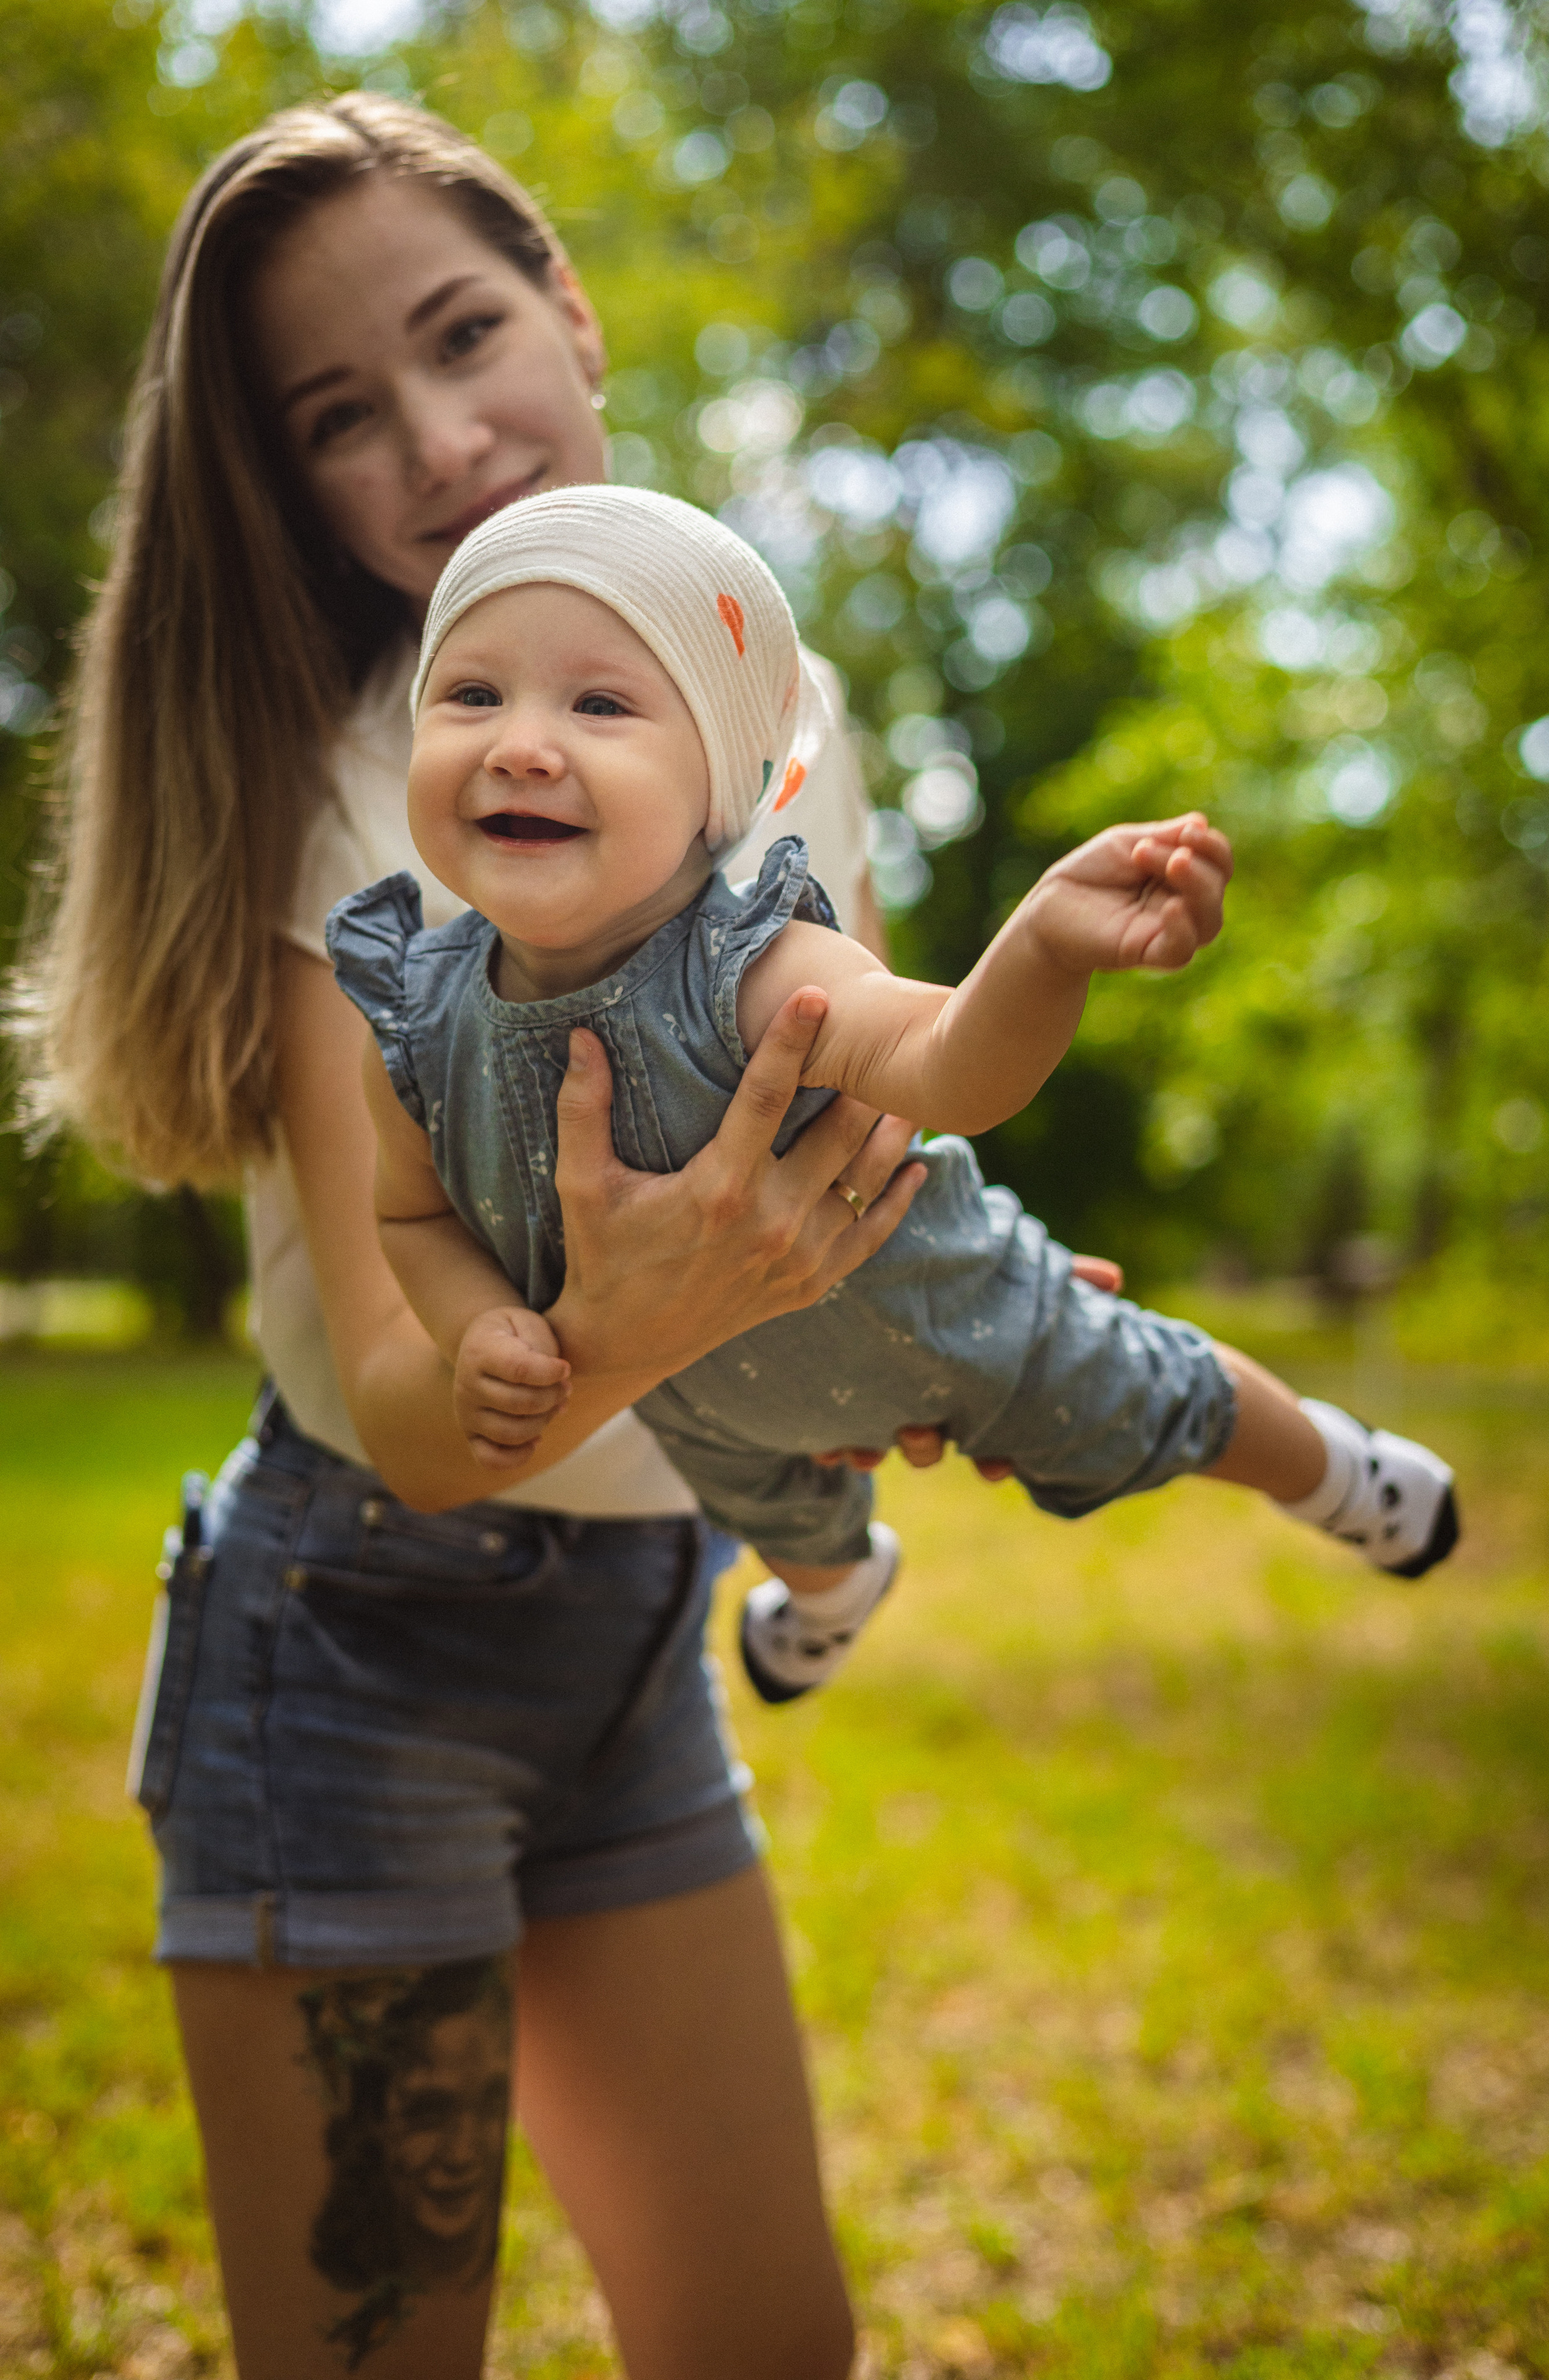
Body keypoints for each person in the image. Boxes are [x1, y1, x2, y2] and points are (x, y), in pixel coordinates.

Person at [6, 89, 1038, 2380]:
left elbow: (851, 1149)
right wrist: (651, 1313)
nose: (445, 436)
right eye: (341, 420)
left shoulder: (792, 714)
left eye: (470, 333)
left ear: (570, 305)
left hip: (636, 1634)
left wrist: (969, 1329)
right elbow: (411, 1396)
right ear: (288, 492)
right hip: (363, 1644)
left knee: (767, 2341)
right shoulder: (367, 788)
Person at [329, 482, 1462, 1712]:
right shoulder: (412, 1020)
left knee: (1152, 1393)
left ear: (723, 790)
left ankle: (1331, 1473)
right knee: (776, 1512)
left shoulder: (752, 966)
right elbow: (414, 1221)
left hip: (934, 1305)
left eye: (600, 703)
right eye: (472, 694)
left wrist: (1038, 952)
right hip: (698, 1389)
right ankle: (833, 1595)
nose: (519, 743)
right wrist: (477, 1325)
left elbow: (943, 1065)